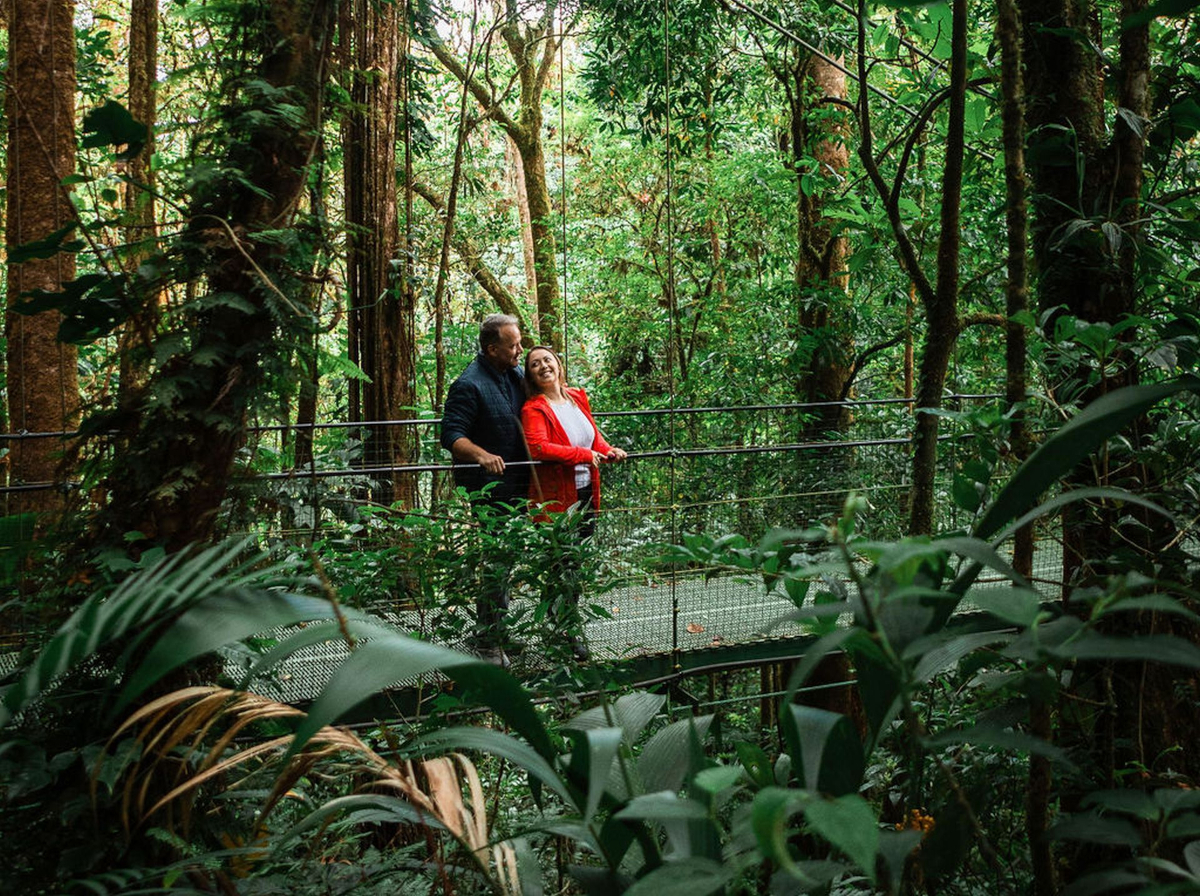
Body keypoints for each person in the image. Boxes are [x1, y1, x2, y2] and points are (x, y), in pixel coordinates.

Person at [520, 345, 627, 660]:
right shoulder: (533, 409)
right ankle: (568, 628)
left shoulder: (577, 397)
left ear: (558, 364)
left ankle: (554, 618)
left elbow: (592, 437)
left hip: (586, 493)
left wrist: (608, 450)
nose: (543, 366)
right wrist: (585, 455)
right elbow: (539, 448)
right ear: (530, 375)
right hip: (555, 499)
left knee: (572, 563)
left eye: (547, 360)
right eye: (535, 364)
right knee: (565, 565)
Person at [440, 314, 529, 665]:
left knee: (507, 561)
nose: (520, 350)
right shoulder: (468, 384)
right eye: (514, 345)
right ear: (492, 349)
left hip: (520, 484)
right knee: (497, 561)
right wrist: (482, 455)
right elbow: (451, 435)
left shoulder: (515, 375)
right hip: (489, 488)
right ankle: (488, 640)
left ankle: (497, 632)